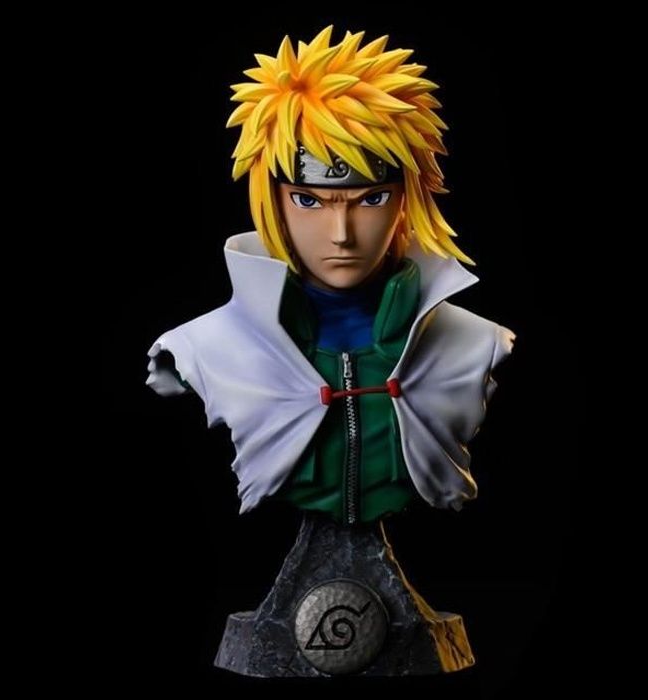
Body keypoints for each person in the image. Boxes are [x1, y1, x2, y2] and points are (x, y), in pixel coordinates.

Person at [145, 26, 515, 676]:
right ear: (271, 198)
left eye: (371, 198)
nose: (340, 233)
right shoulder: (203, 349)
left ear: (407, 196)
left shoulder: (474, 344)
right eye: (309, 200)